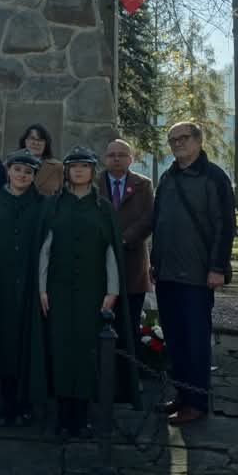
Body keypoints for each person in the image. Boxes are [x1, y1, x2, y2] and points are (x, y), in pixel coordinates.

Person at [39, 147, 140, 439]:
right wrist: (42, 289)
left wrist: (112, 290)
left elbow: (111, 252)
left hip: (92, 291)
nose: (79, 171)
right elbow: (45, 249)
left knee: (87, 352)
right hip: (58, 290)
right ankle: (63, 415)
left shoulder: (103, 208)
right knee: (61, 350)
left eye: (84, 166)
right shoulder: (53, 206)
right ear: (67, 171)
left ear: (92, 171)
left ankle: (81, 416)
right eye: (74, 166)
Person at [150, 122, 236, 426]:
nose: (177, 143)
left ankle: (197, 402)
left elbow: (224, 225)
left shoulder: (214, 177)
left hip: (197, 276)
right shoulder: (167, 177)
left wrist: (217, 268)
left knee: (196, 341)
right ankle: (182, 394)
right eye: (172, 139)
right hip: (167, 274)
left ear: (199, 141)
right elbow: (159, 223)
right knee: (175, 340)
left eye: (183, 138)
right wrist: (155, 263)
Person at [0, 148, 46, 426]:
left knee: (27, 343)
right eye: (17, 170)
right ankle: (6, 401)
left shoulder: (43, 206)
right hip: (1, 285)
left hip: (31, 284)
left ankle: (25, 401)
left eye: (28, 172)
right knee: (4, 343)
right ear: (8, 171)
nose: (22, 175)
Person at [97, 139, 154, 339]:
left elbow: (149, 218)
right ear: (105, 159)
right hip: (98, 262)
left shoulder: (143, 184)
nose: (116, 159)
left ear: (130, 159)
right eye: (111, 155)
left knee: (129, 326)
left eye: (121, 155)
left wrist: (123, 239)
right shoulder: (93, 184)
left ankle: (129, 360)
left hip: (133, 265)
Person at [18, 123, 63, 196]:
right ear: (25, 141)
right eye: (32, 138)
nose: (36, 143)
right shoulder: (10, 164)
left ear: (46, 144)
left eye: (40, 140)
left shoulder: (57, 167)